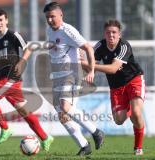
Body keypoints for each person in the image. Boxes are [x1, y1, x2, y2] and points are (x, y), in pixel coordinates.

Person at [0, 9, 53, 151]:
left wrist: (21, 62)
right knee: (23, 111)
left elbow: (28, 49)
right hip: (4, 79)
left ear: (6, 20)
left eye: (1, 20)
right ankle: (45, 137)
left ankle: (5, 128)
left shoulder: (13, 35)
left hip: (12, 78)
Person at [43, 2, 104, 156]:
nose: (50, 20)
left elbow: (88, 47)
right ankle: (84, 145)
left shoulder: (68, 31)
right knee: (62, 115)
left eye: (52, 17)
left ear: (61, 15)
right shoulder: (49, 30)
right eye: (47, 17)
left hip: (71, 73)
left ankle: (96, 131)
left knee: (64, 106)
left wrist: (91, 70)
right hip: (57, 76)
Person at [82, 20, 145, 155]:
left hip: (134, 80)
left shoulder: (124, 46)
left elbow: (112, 69)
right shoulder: (100, 46)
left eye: (114, 32)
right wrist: (83, 63)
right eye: (108, 32)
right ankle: (130, 108)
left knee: (137, 113)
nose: (111, 35)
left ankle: (138, 148)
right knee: (119, 120)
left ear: (119, 34)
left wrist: (91, 66)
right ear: (104, 34)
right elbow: (87, 63)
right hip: (116, 87)